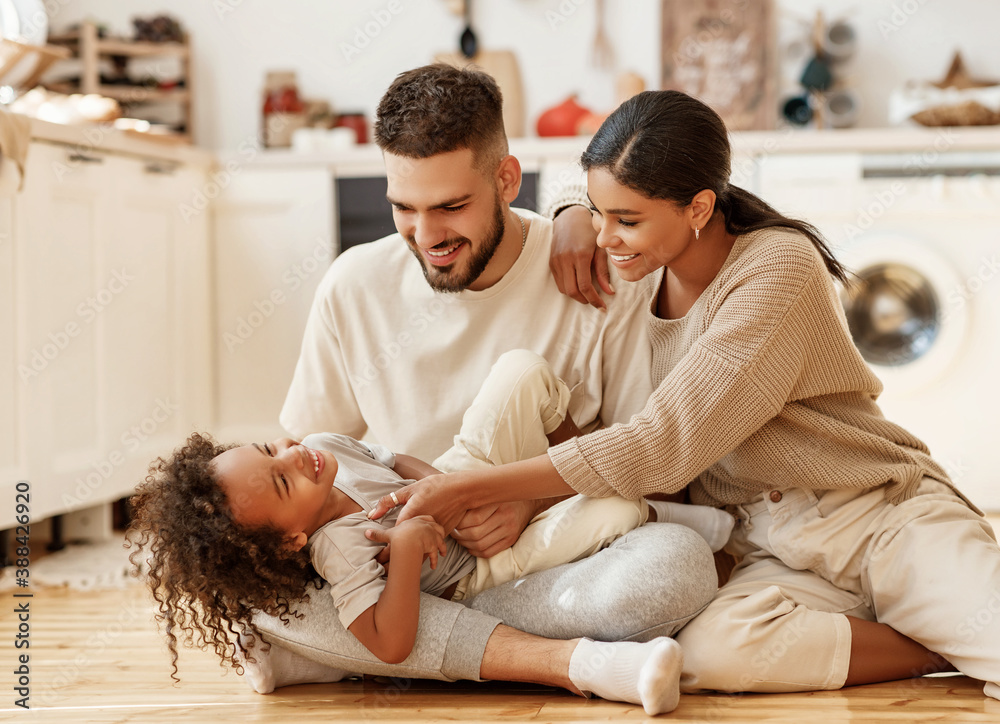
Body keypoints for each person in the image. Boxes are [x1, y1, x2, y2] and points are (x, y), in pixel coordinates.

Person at [371, 89, 1000, 702]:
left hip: (876, 513)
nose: (607, 237)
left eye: (626, 221)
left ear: (699, 208)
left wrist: (470, 487)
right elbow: (589, 172)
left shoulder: (776, 270)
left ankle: (955, 626)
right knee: (710, 655)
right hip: (770, 543)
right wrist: (570, 213)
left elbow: (664, 444)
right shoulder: (642, 272)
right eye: (599, 214)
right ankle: (936, 649)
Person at [242, 65, 719, 704]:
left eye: (450, 207)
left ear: (506, 179)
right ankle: (532, 656)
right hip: (413, 572)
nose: (427, 236)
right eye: (403, 209)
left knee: (672, 564)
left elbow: (652, 468)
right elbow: (295, 491)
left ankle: (355, 656)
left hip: (553, 555)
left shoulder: (599, 277)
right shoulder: (354, 285)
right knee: (258, 589)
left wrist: (530, 502)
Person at [128, 349, 703, 714]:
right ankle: (689, 518)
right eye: (283, 483)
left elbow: (396, 459)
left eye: (270, 449)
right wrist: (404, 552)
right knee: (613, 506)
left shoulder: (323, 447)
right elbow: (391, 642)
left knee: (520, 372)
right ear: (289, 543)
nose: (294, 457)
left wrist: (451, 488)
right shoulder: (341, 551)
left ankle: (574, 462)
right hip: (481, 566)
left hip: (459, 481)